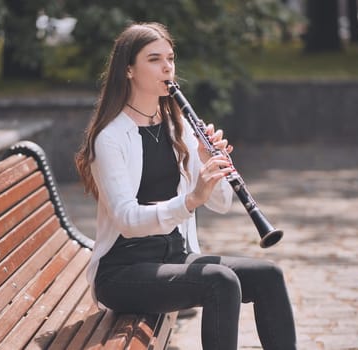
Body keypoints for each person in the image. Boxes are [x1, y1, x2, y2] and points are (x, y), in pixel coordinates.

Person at [75, 22, 296, 350]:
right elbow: (127, 220)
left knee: (269, 276)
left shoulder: (179, 128)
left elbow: (221, 204)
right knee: (219, 282)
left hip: (174, 257)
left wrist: (210, 163)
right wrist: (190, 200)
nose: (167, 67)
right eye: (154, 59)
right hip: (123, 271)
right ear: (129, 70)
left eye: (171, 58)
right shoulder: (110, 138)